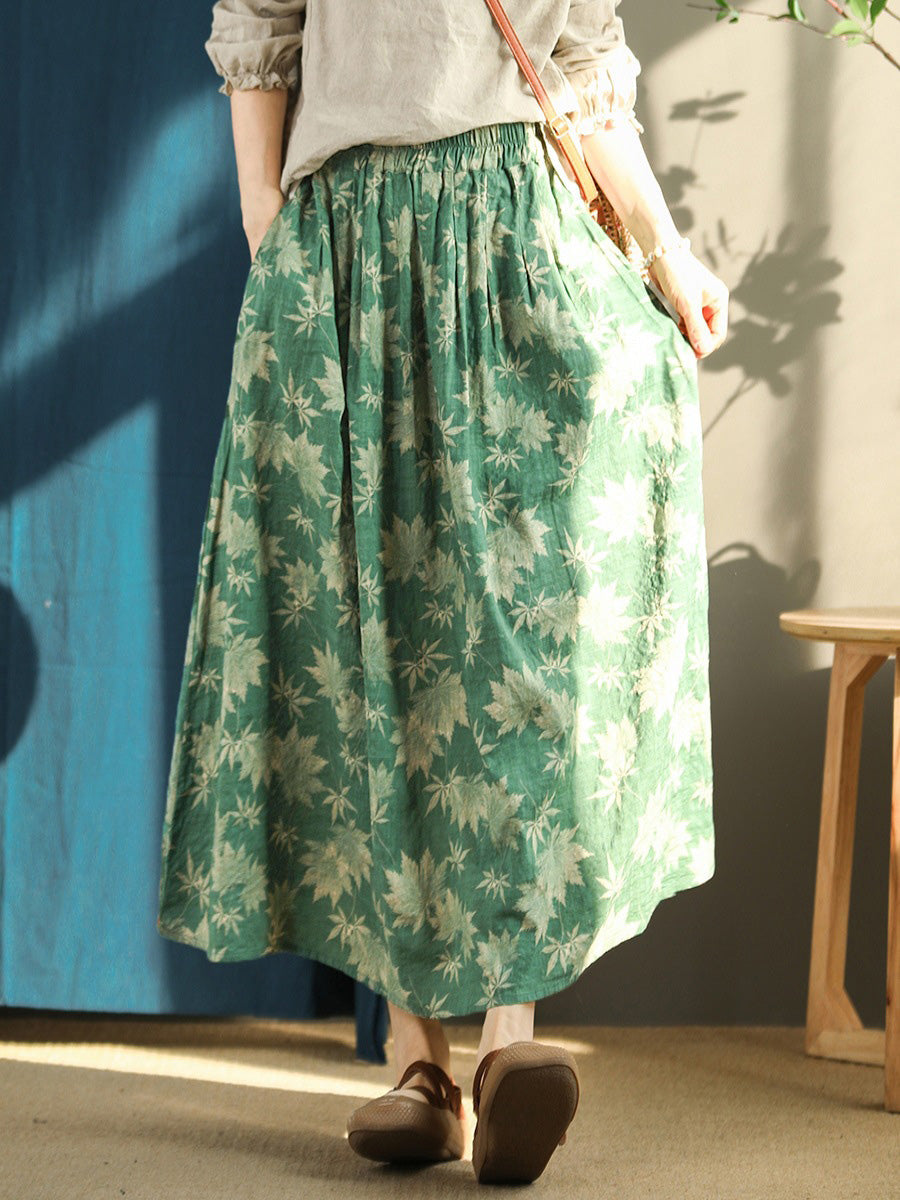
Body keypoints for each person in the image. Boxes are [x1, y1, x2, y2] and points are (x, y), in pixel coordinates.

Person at [156, 0, 728, 1184]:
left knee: (523, 656)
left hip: (521, 247)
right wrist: (269, 225)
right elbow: (259, 24)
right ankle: (418, 1062)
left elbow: (581, 68)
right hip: (347, 254)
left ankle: (508, 1045)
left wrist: (668, 258)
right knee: (370, 640)